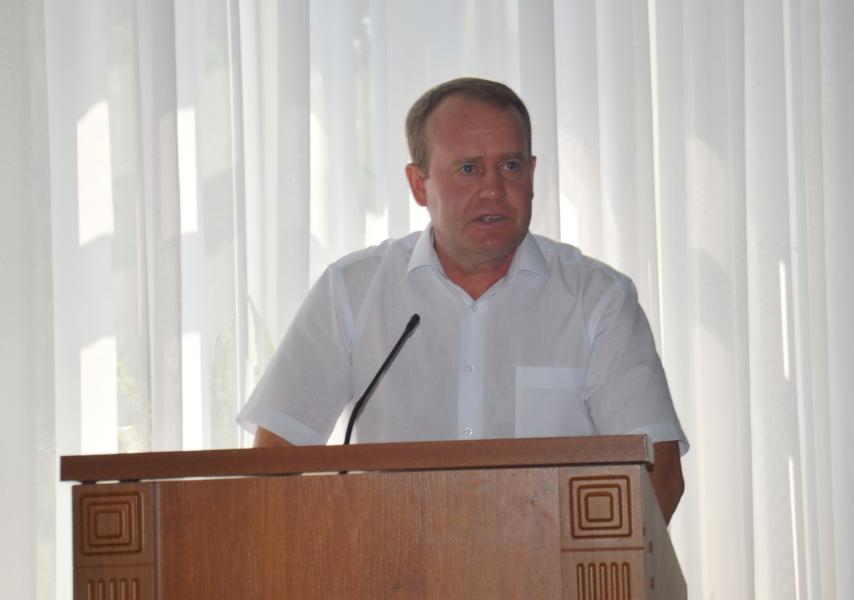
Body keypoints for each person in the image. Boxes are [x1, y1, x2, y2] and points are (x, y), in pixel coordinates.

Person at [238, 77, 687, 522]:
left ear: (532, 175)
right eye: (469, 169)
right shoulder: (352, 292)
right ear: (419, 184)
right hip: (388, 564)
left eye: (510, 166)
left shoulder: (599, 299)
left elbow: (658, 476)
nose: (493, 189)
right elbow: (272, 467)